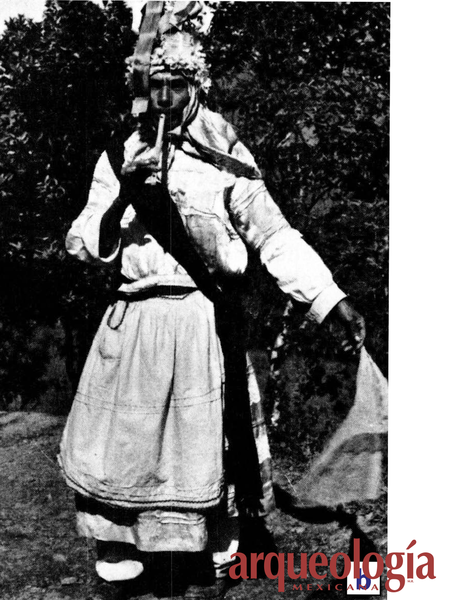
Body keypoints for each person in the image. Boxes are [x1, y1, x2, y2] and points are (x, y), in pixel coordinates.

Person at [56, 11, 366, 600]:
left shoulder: (226, 149)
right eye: (156, 84)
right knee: (123, 463)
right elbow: (82, 244)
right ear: (143, 86)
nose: (166, 96)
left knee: (204, 463)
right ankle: (122, 571)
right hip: (133, 327)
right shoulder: (119, 149)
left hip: (202, 329)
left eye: (178, 83)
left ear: (196, 83)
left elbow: (273, 235)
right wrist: (124, 190)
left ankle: (205, 573)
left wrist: (331, 298)